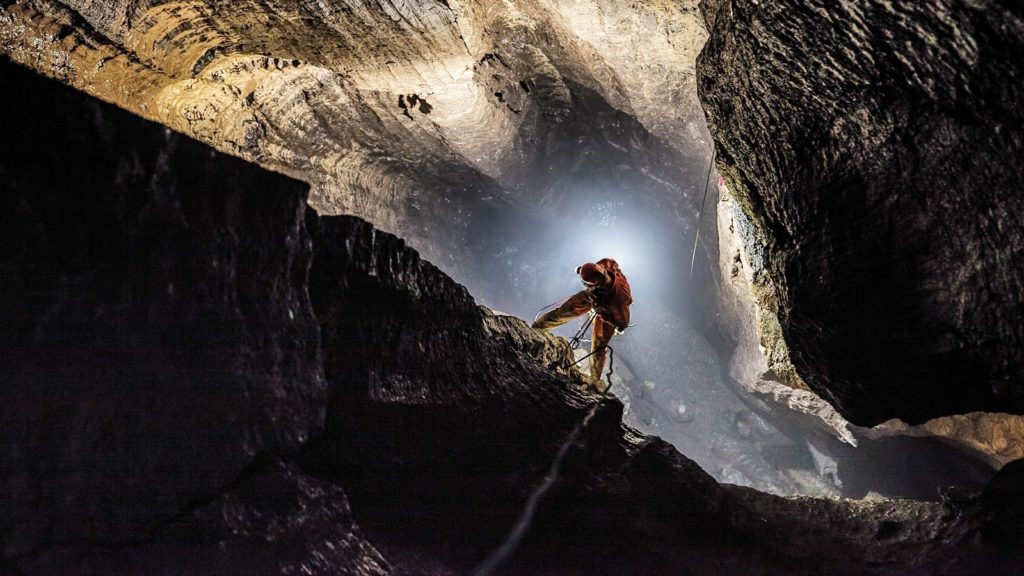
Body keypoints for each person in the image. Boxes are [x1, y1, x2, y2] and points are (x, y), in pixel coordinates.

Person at [532, 258, 632, 390]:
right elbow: (612, 263)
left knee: (599, 345)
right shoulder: (606, 265)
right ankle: (537, 328)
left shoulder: (618, 300)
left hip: (607, 308)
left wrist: (601, 312)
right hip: (595, 295)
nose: (583, 284)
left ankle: (594, 378)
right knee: (564, 311)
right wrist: (583, 271)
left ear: (595, 283)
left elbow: (622, 323)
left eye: (586, 282)